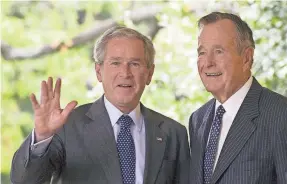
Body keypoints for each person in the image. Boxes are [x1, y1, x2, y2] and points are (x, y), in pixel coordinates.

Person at [11, 26, 190, 184]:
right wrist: (42, 136)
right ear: (98, 71)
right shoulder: (66, 126)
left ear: (150, 73)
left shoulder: (173, 133)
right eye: (115, 63)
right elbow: (24, 180)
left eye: (135, 64)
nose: (125, 73)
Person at [189, 12, 287, 184]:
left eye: (218, 51)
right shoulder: (197, 119)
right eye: (202, 52)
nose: (208, 62)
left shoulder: (280, 114)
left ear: (247, 58)